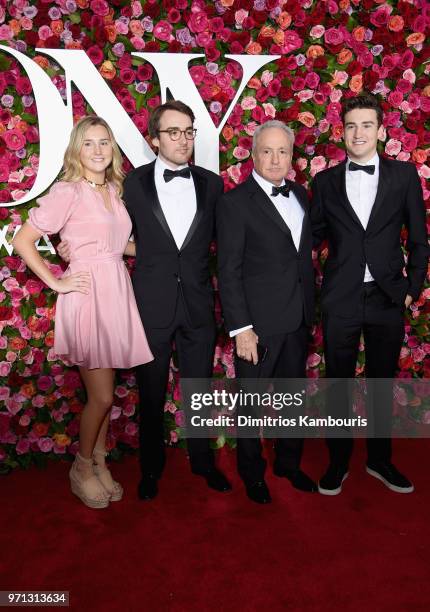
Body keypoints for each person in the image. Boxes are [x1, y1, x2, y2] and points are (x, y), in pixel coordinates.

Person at [12, 116, 154, 509]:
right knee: (104, 397)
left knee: (104, 395)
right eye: (88, 143)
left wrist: (171, 251)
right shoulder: (68, 191)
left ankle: (99, 462)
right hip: (88, 295)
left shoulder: (113, 189)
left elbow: (117, 245)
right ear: (77, 150)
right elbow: (24, 239)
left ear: (112, 149)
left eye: (104, 142)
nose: (97, 150)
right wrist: (58, 282)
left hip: (116, 291)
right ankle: (81, 468)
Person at [311, 93, 429, 495]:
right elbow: (310, 240)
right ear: (340, 132)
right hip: (340, 298)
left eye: (366, 125)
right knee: (338, 384)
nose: (357, 133)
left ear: (381, 131)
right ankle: (338, 462)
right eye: (350, 126)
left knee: (381, 382)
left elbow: (419, 239)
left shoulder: (403, 176)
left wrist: (411, 288)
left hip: (387, 296)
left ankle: (380, 461)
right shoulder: (324, 182)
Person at [122, 100, 230, 500]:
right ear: (154, 140)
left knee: (198, 388)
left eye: (188, 131)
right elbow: (115, 233)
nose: (182, 140)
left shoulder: (212, 184)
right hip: (151, 304)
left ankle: (203, 463)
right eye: (173, 132)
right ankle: (150, 469)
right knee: (150, 392)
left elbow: (228, 243)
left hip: (199, 304)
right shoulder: (133, 184)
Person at [216, 120, 317, 504]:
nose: (275, 159)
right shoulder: (234, 203)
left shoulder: (302, 195)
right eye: (267, 151)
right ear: (253, 155)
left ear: (292, 156)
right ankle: (251, 471)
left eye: (283, 151)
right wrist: (241, 328)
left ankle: (289, 464)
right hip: (257, 326)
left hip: (298, 317)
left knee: (293, 398)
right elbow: (229, 270)